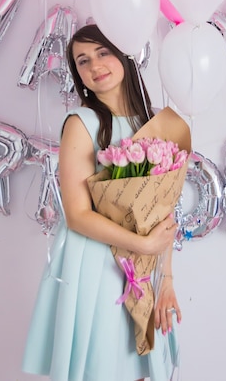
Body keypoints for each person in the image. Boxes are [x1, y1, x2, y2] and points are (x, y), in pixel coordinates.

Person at [22, 24, 183, 381]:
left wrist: (166, 278)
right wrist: (141, 244)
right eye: (82, 61)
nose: (94, 65)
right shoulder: (82, 123)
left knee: (139, 364)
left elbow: (163, 211)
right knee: (104, 365)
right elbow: (77, 215)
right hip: (95, 260)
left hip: (143, 263)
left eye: (102, 52)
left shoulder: (153, 121)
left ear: (123, 53)